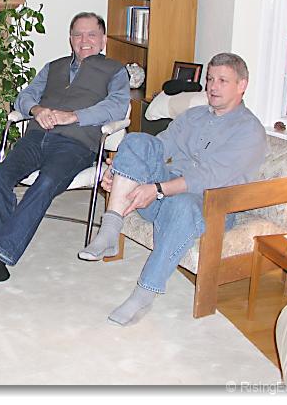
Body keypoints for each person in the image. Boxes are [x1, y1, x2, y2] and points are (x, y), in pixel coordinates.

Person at [78, 52, 266, 325]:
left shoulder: (249, 131)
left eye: (223, 81)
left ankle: (144, 294)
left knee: (183, 203)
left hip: (211, 205)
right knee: (137, 140)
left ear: (242, 85)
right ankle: (109, 230)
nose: (213, 87)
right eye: (210, 79)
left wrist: (157, 189)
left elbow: (208, 177)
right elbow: (159, 147)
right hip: (164, 191)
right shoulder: (194, 116)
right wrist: (118, 171)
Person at [0, 12, 130, 285]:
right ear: (70, 39)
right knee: (0, 176)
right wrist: (37, 110)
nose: (84, 40)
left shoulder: (115, 70)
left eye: (91, 35)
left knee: (47, 181)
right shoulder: (54, 67)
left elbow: (117, 106)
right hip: (36, 137)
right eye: (77, 34)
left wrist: (73, 116)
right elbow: (25, 96)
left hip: (76, 143)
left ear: (103, 40)